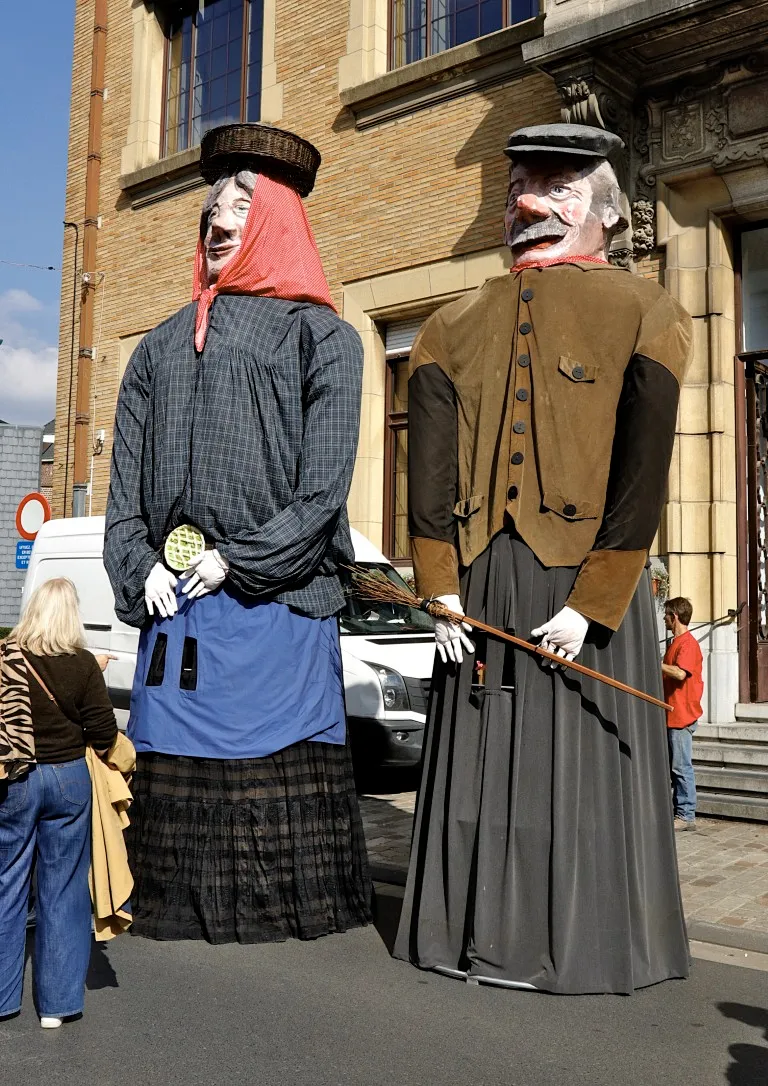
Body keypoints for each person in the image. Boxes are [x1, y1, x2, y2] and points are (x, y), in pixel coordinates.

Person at [393, 123, 693, 994]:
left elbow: (645, 477)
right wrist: (440, 591)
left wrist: (594, 602)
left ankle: (586, 945)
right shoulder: (448, 328)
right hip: (480, 581)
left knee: (581, 774)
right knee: (480, 761)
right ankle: (471, 935)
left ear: (605, 207)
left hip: (588, 583)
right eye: (520, 180)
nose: (530, 200)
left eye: (558, 184)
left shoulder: (649, 311)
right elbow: (428, 480)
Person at [104, 123, 371, 944]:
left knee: (268, 759)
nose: (218, 215)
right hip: (176, 614)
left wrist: (237, 560)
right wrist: (137, 564)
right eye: (213, 202)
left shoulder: (324, 337)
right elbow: (122, 502)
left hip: (277, 609)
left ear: (278, 221)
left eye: (242, 202)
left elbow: (322, 494)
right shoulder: (153, 348)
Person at [0, 578, 117, 1027]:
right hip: (68, 780)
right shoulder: (84, 664)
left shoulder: (8, 658)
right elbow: (103, 733)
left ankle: (3, 1000)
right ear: (72, 615)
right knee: (64, 891)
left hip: (16, 780)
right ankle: (57, 1006)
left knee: (7, 882)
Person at [662, 597, 703, 831]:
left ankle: (686, 815)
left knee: (681, 766)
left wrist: (655, 663)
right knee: (675, 766)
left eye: (666, 615)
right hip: (672, 713)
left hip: (682, 714)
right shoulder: (676, 642)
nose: (664, 618)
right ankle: (679, 810)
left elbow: (679, 674)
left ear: (674, 617)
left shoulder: (687, 644)